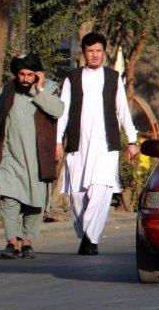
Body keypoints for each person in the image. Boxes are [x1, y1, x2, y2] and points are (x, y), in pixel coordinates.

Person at [56, 32, 139, 256]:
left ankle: (91, 240)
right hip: (78, 146)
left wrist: (132, 140)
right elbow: (63, 112)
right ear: (84, 53)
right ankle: (86, 233)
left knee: (101, 190)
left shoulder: (113, 78)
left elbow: (123, 111)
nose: (95, 55)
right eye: (90, 51)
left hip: (106, 147)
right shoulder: (72, 78)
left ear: (104, 53)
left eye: (98, 51)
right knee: (77, 196)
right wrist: (57, 139)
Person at [0, 54, 64, 259]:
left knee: (35, 203)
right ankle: (12, 242)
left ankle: (27, 242)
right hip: (9, 157)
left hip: (37, 160)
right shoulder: (5, 92)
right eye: (21, 74)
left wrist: (39, 89)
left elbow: (57, 111)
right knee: (8, 198)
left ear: (38, 74)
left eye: (30, 75)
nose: (25, 79)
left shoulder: (49, 89)